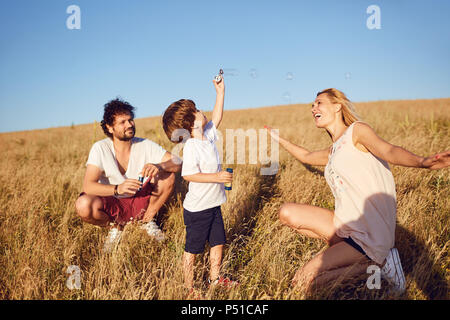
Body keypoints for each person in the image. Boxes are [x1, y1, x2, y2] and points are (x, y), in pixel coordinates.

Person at [265, 88, 450, 295]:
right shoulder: (334, 149)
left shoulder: (357, 132)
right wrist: (279, 140)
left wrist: (423, 162)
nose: (313, 108)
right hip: (346, 227)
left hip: (369, 234)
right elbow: (307, 156)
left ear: (337, 106)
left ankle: (381, 268)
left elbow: (389, 150)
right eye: (312, 105)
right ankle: (351, 256)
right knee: (287, 212)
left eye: (319, 103)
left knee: (302, 282)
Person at [162, 75, 237, 295]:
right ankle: (189, 288)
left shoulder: (208, 136)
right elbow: (189, 175)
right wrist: (217, 177)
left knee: (218, 241)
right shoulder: (192, 146)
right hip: (198, 209)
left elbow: (217, 116)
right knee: (192, 249)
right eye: (195, 110)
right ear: (190, 123)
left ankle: (215, 279)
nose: (200, 111)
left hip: (213, 204)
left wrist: (220, 91)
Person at [75, 98, 181, 252]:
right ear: (110, 127)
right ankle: (116, 227)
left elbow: (177, 162)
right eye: (123, 122)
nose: (130, 124)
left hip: (140, 199)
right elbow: (88, 186)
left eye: (131, 120)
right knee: (83, 204)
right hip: (113, 201)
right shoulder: (100, 148)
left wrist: (159, 166)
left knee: (168, 174)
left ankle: (147, 221)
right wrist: (117, 189)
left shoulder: (144, 144)